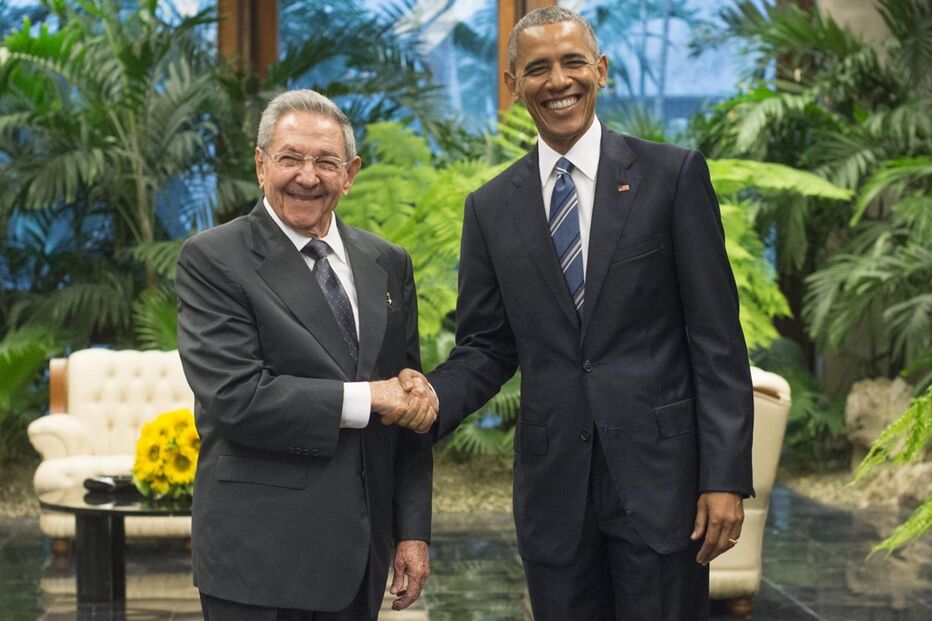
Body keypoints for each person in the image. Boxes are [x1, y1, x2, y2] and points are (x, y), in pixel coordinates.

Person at [396, 7, 754, 620]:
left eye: (572, 62)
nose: (558, 80)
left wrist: (724, 477)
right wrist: (429, 398)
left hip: (662, 487)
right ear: (513, 85)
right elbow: (487, 346)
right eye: (537, 68)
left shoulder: (671, 176)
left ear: (601, 70)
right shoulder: (489, 207)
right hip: (554, 495)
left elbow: (716, 339)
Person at [175, 89, 434, 620]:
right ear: (261, 164)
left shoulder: (387, 262)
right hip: (260, 560)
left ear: (351, 173)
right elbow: (238, 397)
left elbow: (406, 404)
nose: (307, 177)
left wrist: (412, 532)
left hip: (359, 559)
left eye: (326, 162)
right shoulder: (213, 259)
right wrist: (370, 398)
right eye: (290, 158)